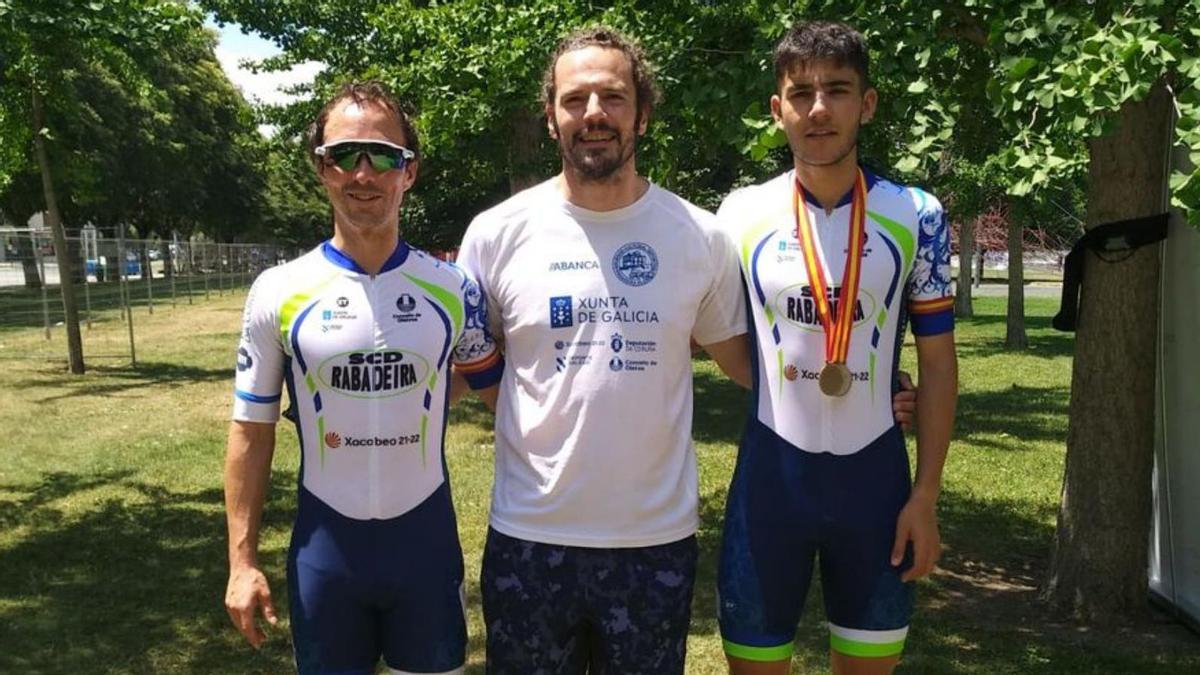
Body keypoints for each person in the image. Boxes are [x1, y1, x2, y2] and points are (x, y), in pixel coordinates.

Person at [456, 27, 917, 675]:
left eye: (612, 97)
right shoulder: (496, 233)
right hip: (530, 537)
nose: (593, 114)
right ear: (551, 116)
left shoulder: (698, 235)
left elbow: (745, 363)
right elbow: (471, 360)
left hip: (655, 543)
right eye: (574, 99)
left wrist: (868, 387)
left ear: (641, 113)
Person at [223, 82, 503, 675]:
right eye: (346, 154)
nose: (364, 172)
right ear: (321, 168)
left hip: (424, 550)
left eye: (383, 155)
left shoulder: (455, 291)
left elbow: (501, 396)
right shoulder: (279, 291)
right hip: (327, 556)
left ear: (410, 171)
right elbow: (251, 430)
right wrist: (242, 561)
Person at [716, 21, 958, 675]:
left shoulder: (917, 215)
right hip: (770, 485)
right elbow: (722, 340)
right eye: (801, 93)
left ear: (867, 104)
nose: (818, 108)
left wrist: (926, 496)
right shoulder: (738, 215)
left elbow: (938, 365)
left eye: (837, 90)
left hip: (876, 488)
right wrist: (783, 379)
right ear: (777, 109)